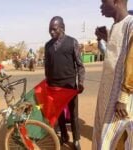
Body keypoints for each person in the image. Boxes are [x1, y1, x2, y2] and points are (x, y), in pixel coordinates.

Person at [92, 0, 133, 149]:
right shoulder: (116, 26)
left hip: (120, 101)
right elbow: (117, 56)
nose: (101, 6)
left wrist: (123, 97)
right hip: (107, 98)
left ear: (116, 1)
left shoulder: (131, 24)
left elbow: (132, 62)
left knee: (117, 140)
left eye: (104, 2)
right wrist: (106, 38)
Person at [44, 16, 85, 150]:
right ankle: (64, 136)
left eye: (54, 29)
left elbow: (80, 65)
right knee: (59, 113)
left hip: (69, 85)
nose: (51, 32)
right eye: (50, 30)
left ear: (62, 28)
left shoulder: (72, 42)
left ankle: (77, 139)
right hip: (54, 85)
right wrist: (47, 83)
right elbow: (47, 65)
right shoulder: (48, 45)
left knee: (73, 113)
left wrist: (81, 82)